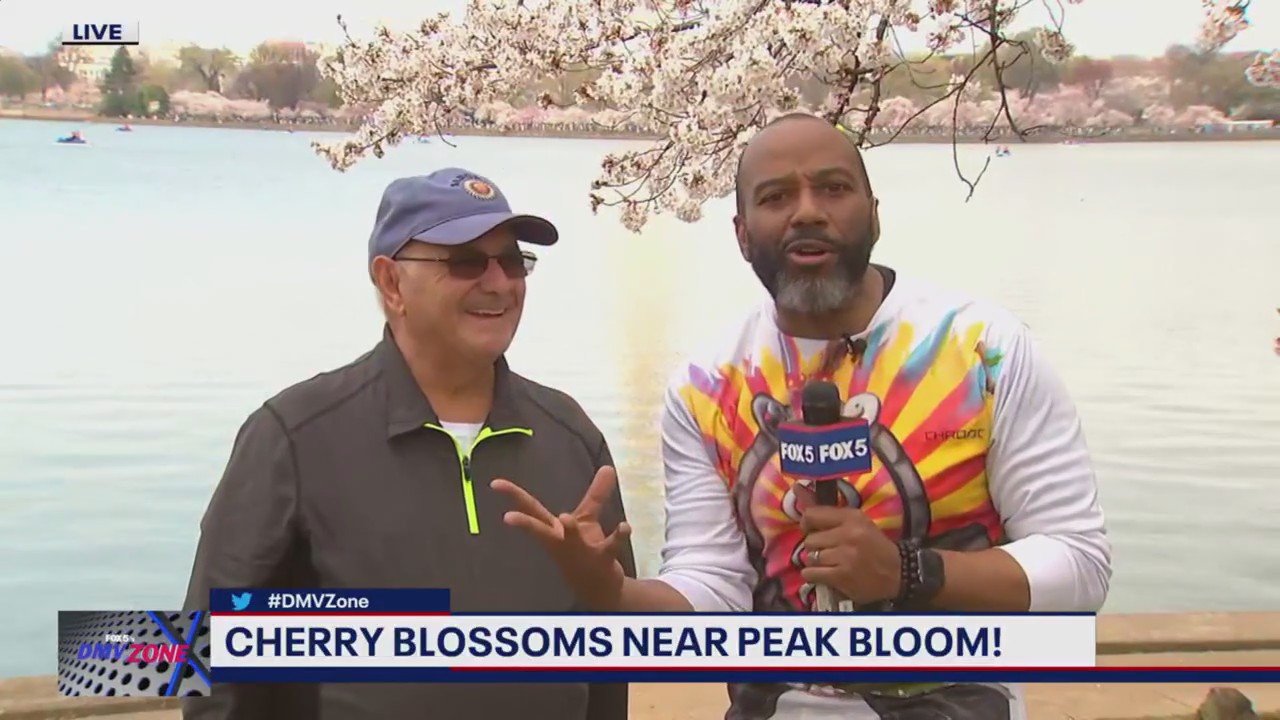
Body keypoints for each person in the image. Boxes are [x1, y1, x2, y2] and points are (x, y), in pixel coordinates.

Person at [494, 115, 1112, 720]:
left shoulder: (984, 349)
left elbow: (1080, 566)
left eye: (834, 188)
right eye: (777, 196)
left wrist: (908, 572)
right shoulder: (706, 387)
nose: (808, 211)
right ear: (742, 234)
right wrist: (614, 595)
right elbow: (715, 588)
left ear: (874, 212)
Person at [182, 167, 635, 720]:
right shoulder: (292, 437)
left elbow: (612, 650)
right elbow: (214, 662)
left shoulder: (571, 438)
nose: (499, 283)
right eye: (466, 260)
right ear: (391, 282)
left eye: (513, 261)